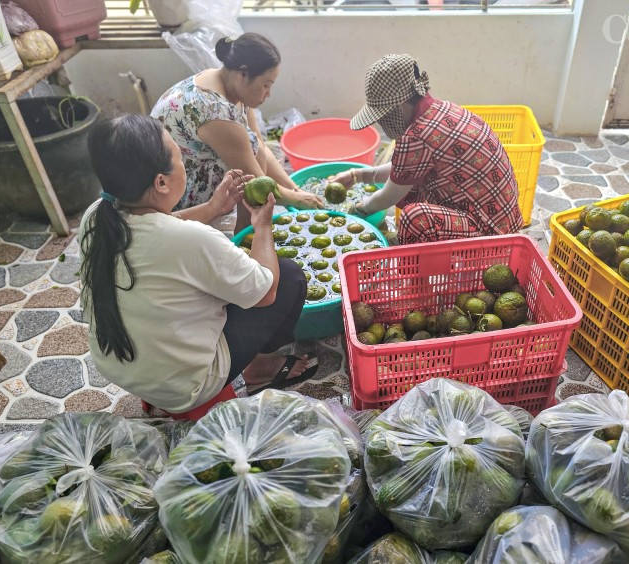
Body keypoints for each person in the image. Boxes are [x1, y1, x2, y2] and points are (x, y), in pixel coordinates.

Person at [79, 114, 319, 415]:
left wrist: (212, 209)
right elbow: (266, 291)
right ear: (161, 182)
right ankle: (261, 369)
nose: (183, 165)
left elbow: (157, 229)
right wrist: (262, 225)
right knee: (288, 277)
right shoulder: (192, 240)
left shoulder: (97, 216)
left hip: (120, 367)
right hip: (186, 385)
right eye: (179, 158)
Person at [330, 54, 523, 245]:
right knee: (411, 185)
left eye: (383, 114)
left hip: (492, 231)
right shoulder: (442, 109)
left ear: (399, 106)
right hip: (503, 216)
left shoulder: (416, 135)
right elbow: (402, 170)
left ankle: (419, 270)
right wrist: (357, 175)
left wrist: (356, 211)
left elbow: (388, 196)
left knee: (413, 218)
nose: (382, 121)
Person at [151, 32, 322, 233]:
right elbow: (260, 183)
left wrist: (294, 188)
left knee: (252, 147)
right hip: (171, 190)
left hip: (188, 165)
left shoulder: (224, 81)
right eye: (266, 85)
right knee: (250, 168)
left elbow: (259, 143)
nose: (268, 93)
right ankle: (244, 233)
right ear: (243, 74)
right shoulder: (214, 112)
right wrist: (299, 199)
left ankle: (247, 228)